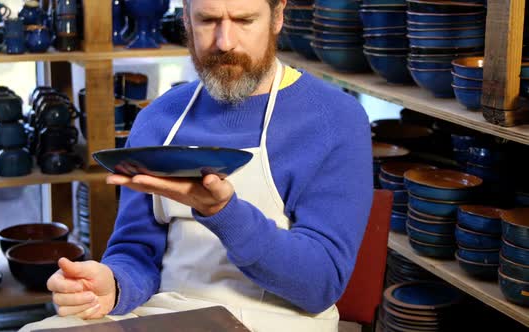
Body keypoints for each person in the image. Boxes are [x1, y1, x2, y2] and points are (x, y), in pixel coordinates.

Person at [21, 0, 373, 331]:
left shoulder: (334, 119)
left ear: (278, 15)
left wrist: (223, 212)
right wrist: (113, 284)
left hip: (279, 319)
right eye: (207, 20)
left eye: (244, 20)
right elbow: (136, 254)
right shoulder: (158, 120)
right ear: (186, 19)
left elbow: (320, 285)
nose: (224, 42)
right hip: (168, 314)